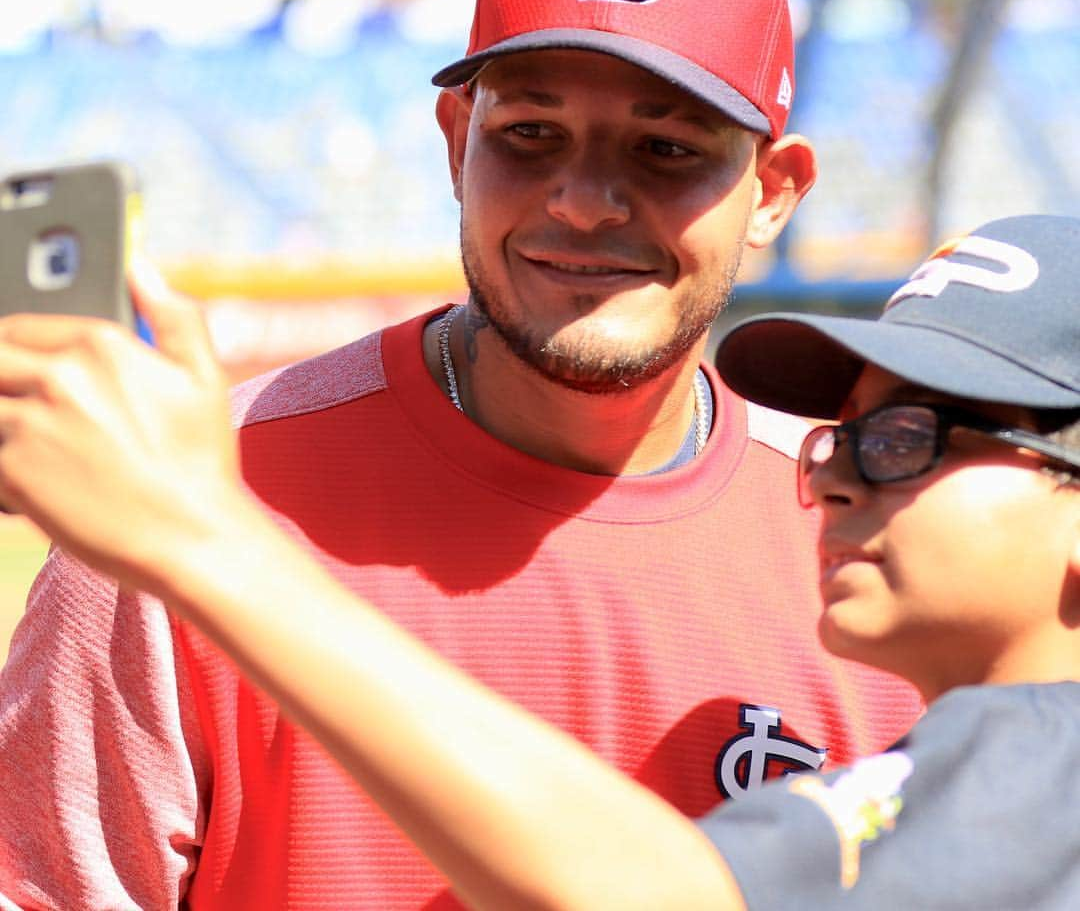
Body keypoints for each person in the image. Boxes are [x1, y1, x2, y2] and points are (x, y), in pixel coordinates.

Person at [0, 0, 922, 909]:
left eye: (667, 149)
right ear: (455, 141)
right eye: (529, 134)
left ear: (775, 193)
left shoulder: (871, 546)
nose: (581, 203)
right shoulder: (184, 506)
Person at [0, 213, 1075, 910]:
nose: (836, 478)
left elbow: (660, 898)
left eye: (910, 441)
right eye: (848, 438)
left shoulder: (1043, 759)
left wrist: (202, 542)